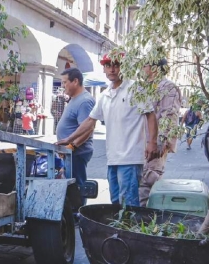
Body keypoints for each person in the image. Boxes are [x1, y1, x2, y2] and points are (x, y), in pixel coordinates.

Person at [56, 53, 159, 207]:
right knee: (116, 201)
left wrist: (152, 142)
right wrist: (68, 139)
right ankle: (119, 229)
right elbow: (90, 120)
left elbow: (150, 115)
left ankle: (127, 230)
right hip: (112, 158)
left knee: (128, 202)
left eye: (116, 65)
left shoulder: (136, 88)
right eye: (108, 66)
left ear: (123, 67)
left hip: (130, 157)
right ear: (104, 69)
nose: (112, 69)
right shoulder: (105, 95)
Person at [138, 58, 182, 206]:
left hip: (155, 145)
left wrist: (161, 142)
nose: (143, 69)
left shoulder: (168, 87)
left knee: (148, 182)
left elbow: (170, 116)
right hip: (143, 143)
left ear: (154, 68)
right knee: (142, 184)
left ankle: (154, 217)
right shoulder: (146, 87)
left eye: (145, 65)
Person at [55, 68, 96, 194]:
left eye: (65, 82)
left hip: (77, 152)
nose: (62, 86)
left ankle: (77, 213)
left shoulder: (84, 101)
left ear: (75, 81)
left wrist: (72, 145)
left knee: (77, 187)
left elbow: (88, 128)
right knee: (70, 187)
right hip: (70, 152)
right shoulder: (74, 98)